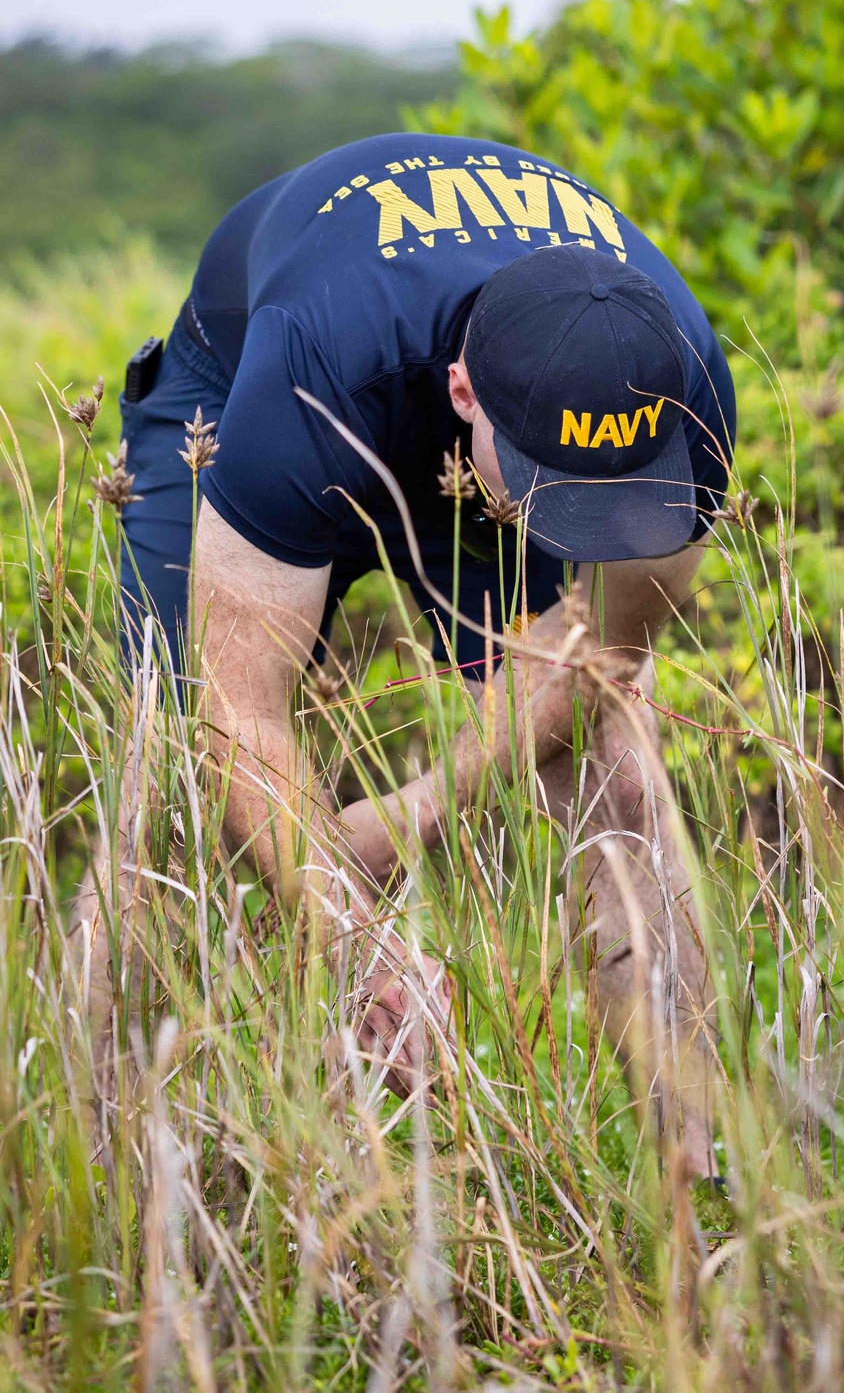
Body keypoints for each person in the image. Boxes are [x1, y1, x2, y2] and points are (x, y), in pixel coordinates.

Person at [80, 132, 736, 1177]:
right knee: (163, 764)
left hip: (469, 406)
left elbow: (604, 657)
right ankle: (104, 1153)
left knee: (615, 768)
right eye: (556, 492)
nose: (585, 526)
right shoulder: (315, 356)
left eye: (613, 497)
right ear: (466, 393)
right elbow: (238, 708)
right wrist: (353, 932)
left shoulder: (687, 389)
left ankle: (697, 1169)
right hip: (255, 382)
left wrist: (406, 815)